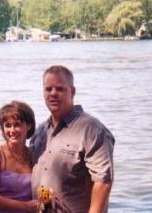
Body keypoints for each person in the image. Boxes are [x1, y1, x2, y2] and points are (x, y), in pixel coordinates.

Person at [30, 65, 115, 213]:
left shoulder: (92, 130)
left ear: (73, 91)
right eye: (48, 89)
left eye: (60, 89)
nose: (53, 94)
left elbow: (103, 182)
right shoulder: (40, 132)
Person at [0, 101, 38, 213]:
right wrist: (25, 206)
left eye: (17, 125)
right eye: (7, 125)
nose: (12, 131)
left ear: (29, 125)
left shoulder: (33, 155)